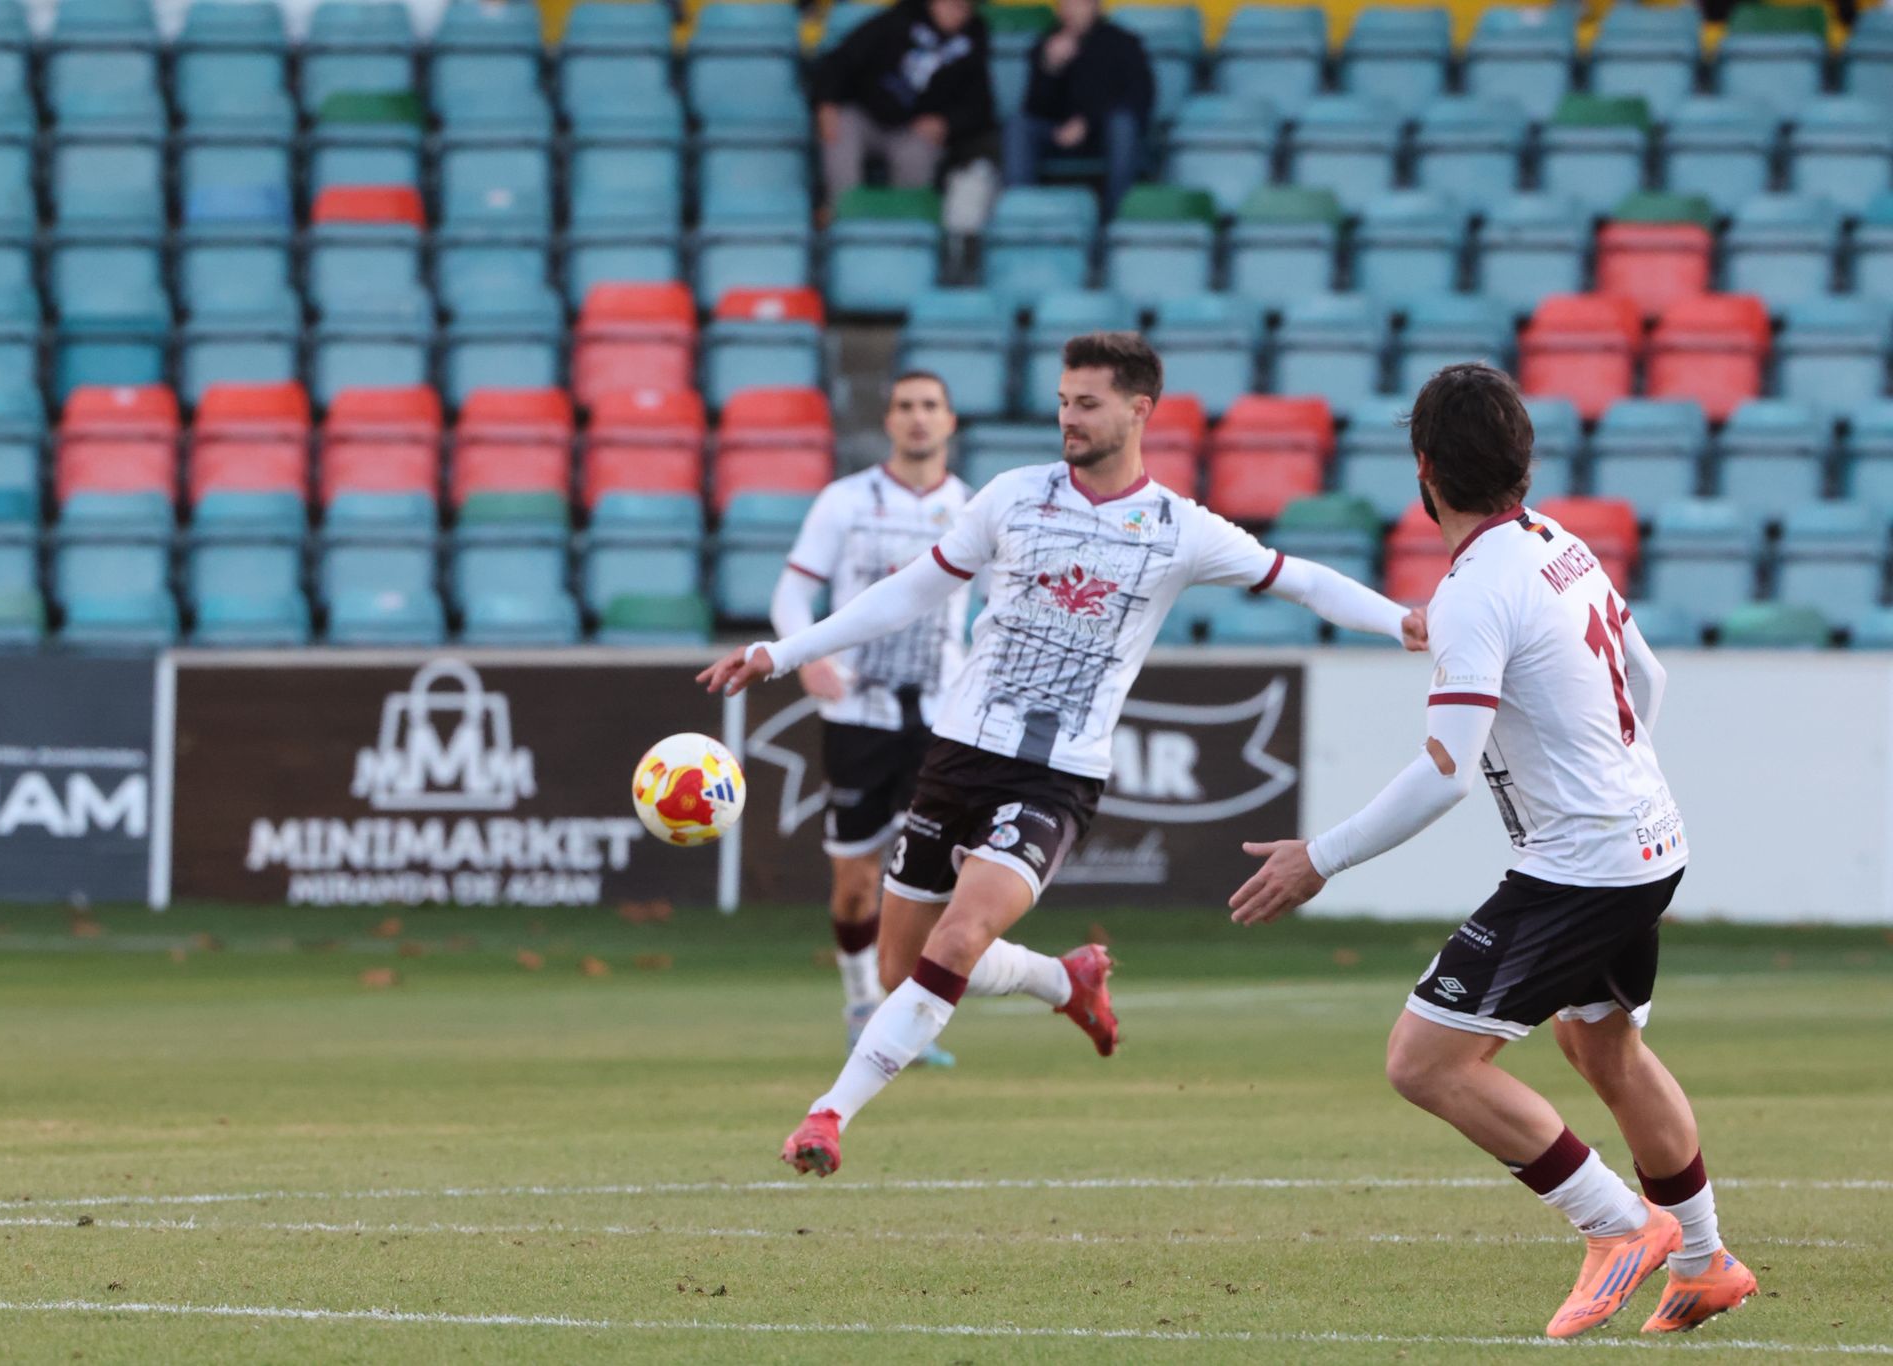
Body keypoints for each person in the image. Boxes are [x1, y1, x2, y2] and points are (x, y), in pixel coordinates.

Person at [699, 332, 1426, 1177]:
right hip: (957, 756)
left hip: (1056, 777)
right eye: (1062, 401)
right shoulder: (1013, 497)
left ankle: (829, 1115)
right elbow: (909, 591)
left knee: (959, 937)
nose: (1067, 419)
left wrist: (1399, 620)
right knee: (905, 968)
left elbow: (1301, 580)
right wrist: (783, 652)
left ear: (1139, 410)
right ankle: (1062, 981)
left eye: (1086, 404)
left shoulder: (1179, 528)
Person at [1227, 363, 1757, 1339]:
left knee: (1424, 1060)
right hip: (1647, 839)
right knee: (1600, 1044)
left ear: (1422, 471)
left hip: (1582, 863)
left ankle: (1616, 1223)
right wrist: (1608, 777)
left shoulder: (1473, 591)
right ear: (1523, 462)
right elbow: (1648, 677)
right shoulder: (1558, 543)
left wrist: (1319, 857)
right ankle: (1703, 1260)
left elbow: (1444, 773)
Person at [773, 372, 971, 1067]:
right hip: (857, 714)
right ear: (888, 421)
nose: (918, 418)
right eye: (905, 406)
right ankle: (861, 1006)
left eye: (930, 406)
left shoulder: (974, 509)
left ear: (950, 421)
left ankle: (911, 1023)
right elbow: (791, 594)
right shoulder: (845, 501)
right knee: (856, 881)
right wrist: (806, 657)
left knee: (935, 881)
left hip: (943, 720)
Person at [812, 0, 996, 207]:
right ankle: (842, 212)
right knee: (841, 126)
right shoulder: (900, 18)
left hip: (912, 129)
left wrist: (946, 122)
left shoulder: (973, 38)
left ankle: (907, 220)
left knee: (919, 151)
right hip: (865, 115)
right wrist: (826, 103)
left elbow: (980, 106)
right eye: (951, 4)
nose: (957, 12)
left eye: (965, 7)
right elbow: (839, 62)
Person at [1003, 0, 1154, 216]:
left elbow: (1139, 98)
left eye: (1078, 3)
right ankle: (1020, 212)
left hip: (1103, 134)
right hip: (1057, 133)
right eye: (1065, 3)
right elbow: (1033, 108)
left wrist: (1088, 123)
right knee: (1018, 125)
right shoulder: (1046, 44)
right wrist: (1050, 68)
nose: (1070, 9)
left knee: (1123, 124)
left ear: (1095, 6)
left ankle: (1117, 215)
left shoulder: (1122, 42)